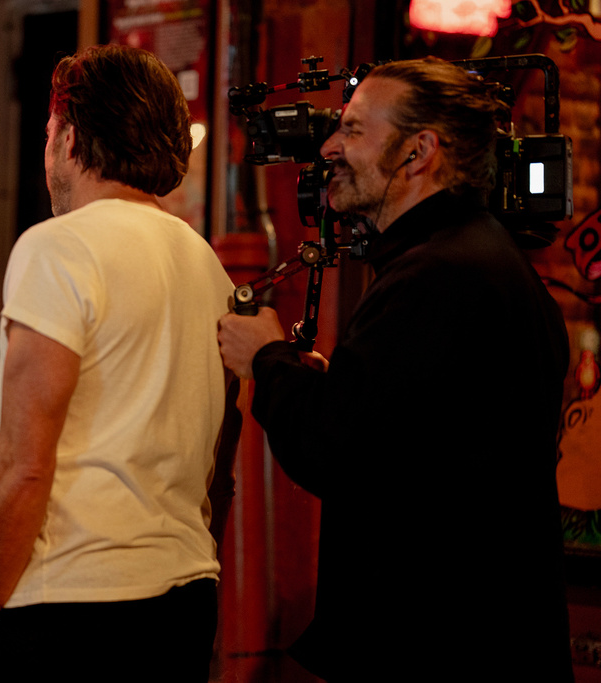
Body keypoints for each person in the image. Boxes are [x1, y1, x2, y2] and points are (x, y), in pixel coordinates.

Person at [218, 57, 574, 681]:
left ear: (419, 152)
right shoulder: (481, 259)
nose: (330, 147)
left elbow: (336, 450)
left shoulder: (435, 276)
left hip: (436, 648)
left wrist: (267, 359)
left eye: (354, 131)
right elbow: (409, 443)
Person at [0, 45, 239, 682]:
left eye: (46, 133)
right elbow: (224, 454)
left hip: (75, 600)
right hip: (186, 592)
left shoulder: (58, 247)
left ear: (68, 136)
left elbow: (24, 463)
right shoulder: (207, 264)